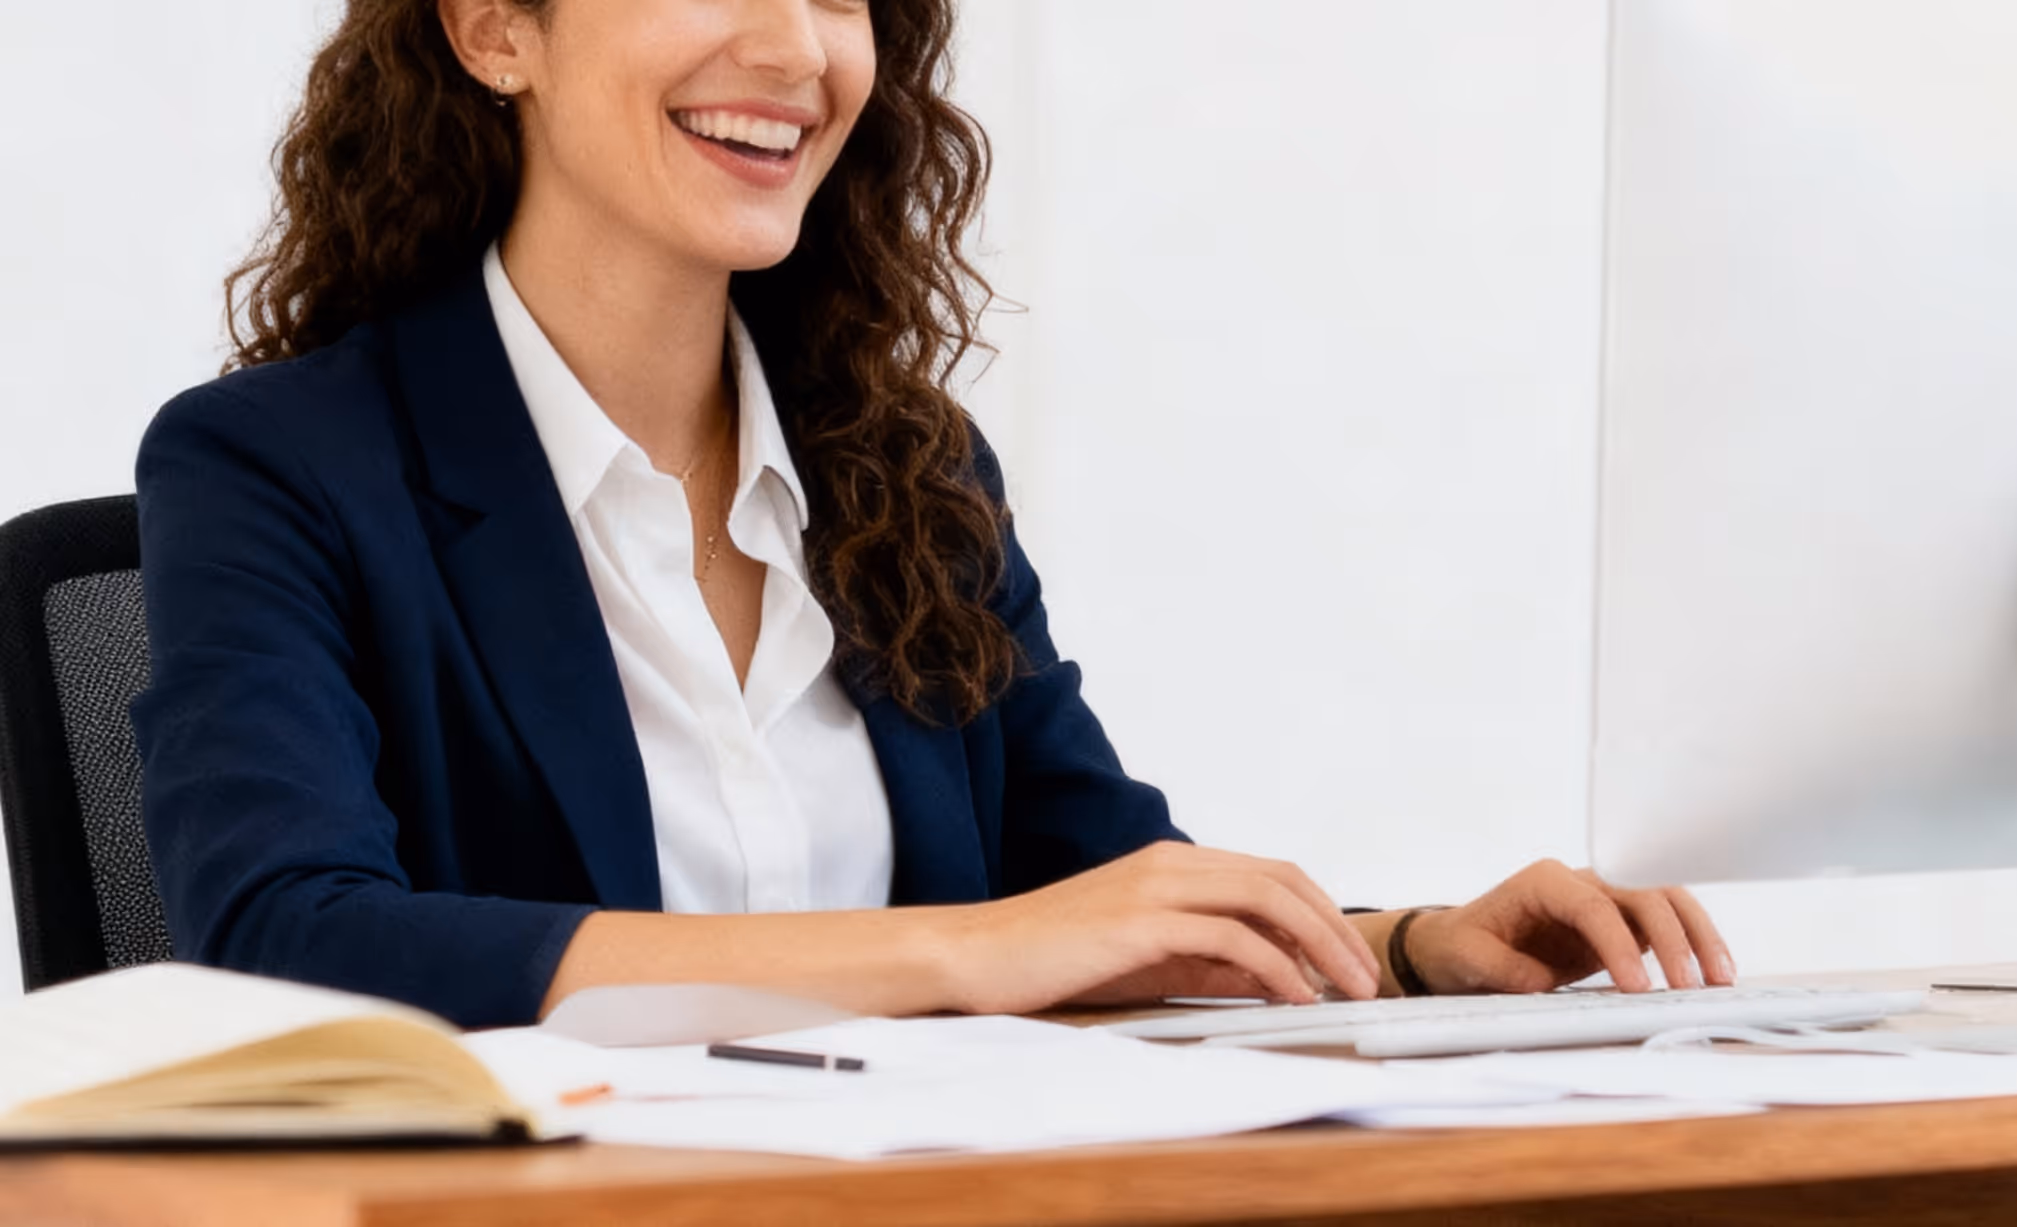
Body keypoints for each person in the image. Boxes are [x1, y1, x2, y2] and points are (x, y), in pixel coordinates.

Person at [132, 0, 1736, 1028]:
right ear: (495, 27)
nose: (795, 47)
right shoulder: (277, 468)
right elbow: (288, 942)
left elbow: (1097, 883)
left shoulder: (901, 471)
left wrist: (1405, 948)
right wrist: (958, 955)